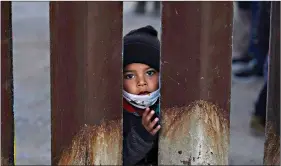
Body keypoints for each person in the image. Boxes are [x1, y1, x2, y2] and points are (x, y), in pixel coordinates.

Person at [123, 25, 161, 166]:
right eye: (130, 75)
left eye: (150, 73)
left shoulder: (168, 105)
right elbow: (121, 159)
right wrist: (142, 134)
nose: (141, 82)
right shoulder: (116, 113)